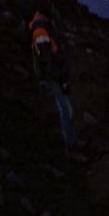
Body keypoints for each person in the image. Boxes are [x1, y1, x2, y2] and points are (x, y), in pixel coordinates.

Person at [28, 8, 77, 152]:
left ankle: (71, 141)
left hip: (58, 76)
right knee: (65, 109)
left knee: (67, 108)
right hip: (55, 77)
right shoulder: (41, 30)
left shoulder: (46, 25)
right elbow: (47, 60)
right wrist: (60, 79)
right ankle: (70, 145)